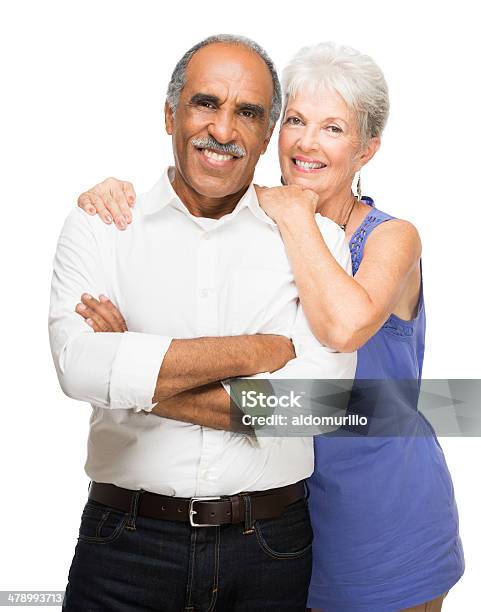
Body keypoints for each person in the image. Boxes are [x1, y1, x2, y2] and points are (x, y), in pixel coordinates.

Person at [80, 42, 464, 611]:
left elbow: (344, 327)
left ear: (367, 149)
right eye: (295, 121)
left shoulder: (391, 237)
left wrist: (129, 380)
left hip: (380, 513)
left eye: (333, 128)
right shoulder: (246, 218)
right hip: (273, 516)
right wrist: (114, 195)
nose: (307, 142)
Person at [49, 35, 356, 612]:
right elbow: (77, 367)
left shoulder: (315, 242)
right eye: (206, 103)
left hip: (269, 547)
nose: (223, 130)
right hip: (125, 544)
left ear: (267, 134)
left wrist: (132, 368)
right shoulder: (102, 225)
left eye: (247, 113)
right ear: (170, 114)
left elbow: (316, 403)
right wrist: (257, 351)